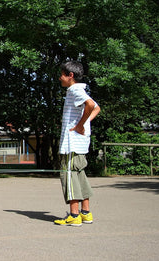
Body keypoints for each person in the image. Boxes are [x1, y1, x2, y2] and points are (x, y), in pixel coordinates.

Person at [54, 61, 100, 226]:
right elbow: (96, 108)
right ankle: (86, 212)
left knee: (69, 176)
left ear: (70, 75)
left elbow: (91, 105)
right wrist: (85, 123)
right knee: (80, 175)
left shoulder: (74, 89)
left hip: (71, 144)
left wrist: (80, 125)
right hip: (80, 144)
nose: (60, 78)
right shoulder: (81, 89)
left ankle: (74, 215)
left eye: (62, 74)